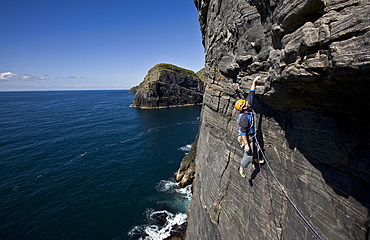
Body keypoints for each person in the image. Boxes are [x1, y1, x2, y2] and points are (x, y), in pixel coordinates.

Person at [234, 76, 262, 178]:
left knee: (255, 145)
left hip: (251, 134)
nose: (247, 102)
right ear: (244, 107)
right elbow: (243, 132)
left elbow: (251, 93)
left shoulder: (247, 107)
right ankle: (242, 167)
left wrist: (254, 82)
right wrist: (246, 144)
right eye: (245, 103)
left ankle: (255, 159)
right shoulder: (244, 118)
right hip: (245, 136)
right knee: (248, 152)